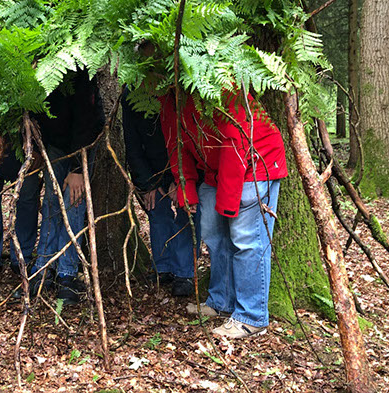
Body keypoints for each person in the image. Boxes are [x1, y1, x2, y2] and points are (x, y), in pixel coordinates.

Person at [160, 91, 287, 338]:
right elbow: (175, 144)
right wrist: (187, 189)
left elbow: (234, 141)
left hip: (254, 164)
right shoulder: (167, 95)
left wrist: (228, 203)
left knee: (246, 240)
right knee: (214, 234)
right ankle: (221, 301)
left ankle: (252, 317)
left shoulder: (220, 86)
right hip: (215, 170)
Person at [27, 68, 105, 305]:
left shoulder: (80, 73)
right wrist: (37, 147)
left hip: (81, 143)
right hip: (54, 142)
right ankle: (43, 269)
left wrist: (77, 169)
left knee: (73, 202)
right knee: (52, 202)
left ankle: (67, 274)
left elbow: (87, 121)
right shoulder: (37, 67)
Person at [121, 87, 197, 297]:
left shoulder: (175, 87)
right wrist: (148, 183)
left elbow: (185, 136)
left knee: (186, 211)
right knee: (156, 208)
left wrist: (179, 179)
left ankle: (184, 272)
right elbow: (132, 145)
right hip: (152, 165)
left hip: (183, 163)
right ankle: (163, 268)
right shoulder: (131, 94)